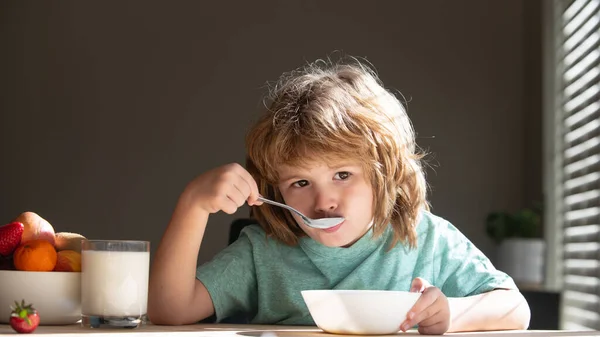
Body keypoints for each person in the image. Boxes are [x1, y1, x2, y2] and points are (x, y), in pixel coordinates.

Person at [148, 56, 531, 334]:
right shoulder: (262, 252)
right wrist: (193, 204)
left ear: (386, 173)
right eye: (300, 183)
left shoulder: (424, 237)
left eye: (343, 174)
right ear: (272, 189)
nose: (323, 201)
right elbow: (170, 310)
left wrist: (450, 315)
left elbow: (514, 308)